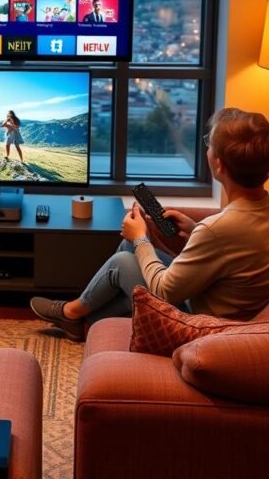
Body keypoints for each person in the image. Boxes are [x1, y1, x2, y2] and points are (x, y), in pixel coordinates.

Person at [30, 108, 269, 341]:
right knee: (128, 248)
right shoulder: (254, 213)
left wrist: (141, 238)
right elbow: (233, 251)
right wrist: (195, 230)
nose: (206, 149)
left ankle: (70, 312)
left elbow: (163, 290)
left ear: (218, 165)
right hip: (216, 304)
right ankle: (83, 323)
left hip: (199, 324)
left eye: (210, 144)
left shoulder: (218, 228)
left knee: (123, 261)